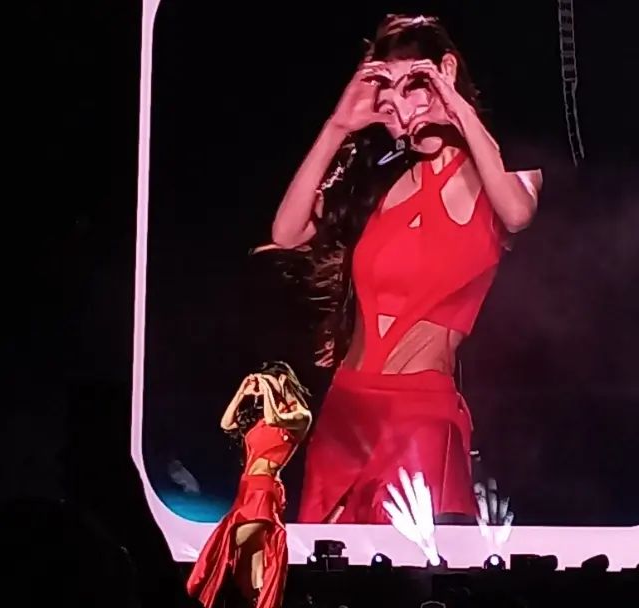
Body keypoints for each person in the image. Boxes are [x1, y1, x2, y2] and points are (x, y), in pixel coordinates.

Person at [265, 14, 542, 524]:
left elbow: (517, 212)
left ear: (446, 71)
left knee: (408, 563)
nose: (399, 113)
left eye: (412, 88)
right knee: (326, 565)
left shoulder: (501, 169)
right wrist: (337, 126)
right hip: (346, 413)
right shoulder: (380, 181)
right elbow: (286, 231)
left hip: (419, 414)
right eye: (386, 102)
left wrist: (456, 108)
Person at [186, 362, 312, 608]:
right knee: (253, 565)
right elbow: (226, 424)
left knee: (225, 542)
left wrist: (267, 389)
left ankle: (197, 596)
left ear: (282, 380)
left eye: (269, 381)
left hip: (264, 492)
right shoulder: (262, 418)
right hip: (246, 490)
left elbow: (275, 418)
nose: (263, 388)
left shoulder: (299, 415)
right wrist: (242, 392)